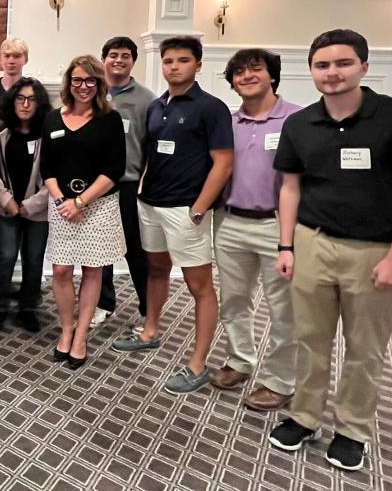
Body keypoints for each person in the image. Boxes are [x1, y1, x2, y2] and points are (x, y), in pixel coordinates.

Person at [268, 29, 392, 472]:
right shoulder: (300, 123)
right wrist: (287, 244)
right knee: (310, 339)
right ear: (310, 71)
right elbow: (290, 188)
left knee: (365, 347)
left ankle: (353, 427)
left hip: (375, 250)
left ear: (364, 66)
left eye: (342, 63)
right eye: (322, 65)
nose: (332, 73)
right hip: (312, 242)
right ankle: (305, 416)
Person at [112, 36, 233, 395]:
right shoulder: (156, 106)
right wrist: (142, 191)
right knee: (157, 270)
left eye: (182, 60)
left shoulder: (211, 108)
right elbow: (151, 153)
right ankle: (150, 330)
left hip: (186, 208)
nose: (174, 67)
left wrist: (200, 207)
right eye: (168, 61)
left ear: (197, 65)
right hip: (150, 203)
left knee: (199, 286)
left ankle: (198, 363)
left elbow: (224, 162)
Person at [210, 49, 300, 411]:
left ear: (273, 75)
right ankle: (239, 360)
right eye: (239, 72)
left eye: (255, 69)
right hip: (230, 221)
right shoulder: (228, 122)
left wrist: (290, 240)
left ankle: (281, 380)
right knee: (233, 299)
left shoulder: (296, 119)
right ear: (232, 81)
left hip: (276, 225)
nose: (246, 76)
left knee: (284, 307)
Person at [41, 57, 127, 369]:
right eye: (77, 80)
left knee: (93, 270)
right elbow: (46, 167)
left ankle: (81, 336)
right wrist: (64, 200)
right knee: (62, 270)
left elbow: (114, 169)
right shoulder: (52, 119)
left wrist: (81, 202)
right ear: (68, 83)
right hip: (61, 204)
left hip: (99, 205)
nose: (84, 86)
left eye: (91, 80)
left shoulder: (110, 119)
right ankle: (66, 329)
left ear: (100, 84)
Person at [92, 37, 155, 332]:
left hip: (129, 185)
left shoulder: (146, 99)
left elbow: (152, 146)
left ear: (133, 61)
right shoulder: (91, 92)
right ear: (103, 58)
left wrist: (145, 180)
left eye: (125, 56)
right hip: (95, 186)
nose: (119, 60)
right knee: (98, 250)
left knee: (135, 248)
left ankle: (148, 309)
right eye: (113, 55)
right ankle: (104, 303)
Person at [0, 77, 51, 333]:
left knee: (34, 260)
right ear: (12, 101)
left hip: (38, 211)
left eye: (31, 99)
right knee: (6, 257)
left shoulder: (49, 129)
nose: (25, 104)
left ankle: (28, 308)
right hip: (6, 209)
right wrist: (8, 202)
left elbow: (54, 175)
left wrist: (30, 206)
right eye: (20, 98)